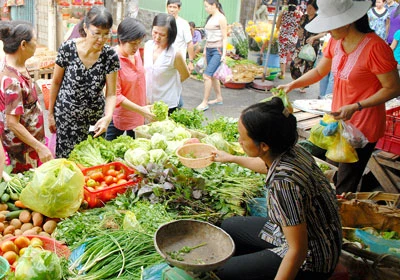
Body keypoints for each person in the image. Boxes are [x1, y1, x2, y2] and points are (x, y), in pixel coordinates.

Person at [212, 97, 342, 280]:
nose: (239, 140)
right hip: (318, 237)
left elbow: (298, 250)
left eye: (243, 137)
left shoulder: (284, 185)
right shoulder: (292, 150)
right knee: (229, 226)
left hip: (313, 260)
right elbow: (265, 165)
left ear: (264, 145)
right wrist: (231, 158)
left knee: (221, 272)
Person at [278, 0, 400, 194]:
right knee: (330, 173)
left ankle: (339, 218)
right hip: (337, 123)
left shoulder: (376, 48)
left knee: (344, 184)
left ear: (346, 22)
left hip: (362, 129)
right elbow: (319, 71)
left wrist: (357, 106)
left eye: (330, 24)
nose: (327, 30)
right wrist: (293, 84)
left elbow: (393, 88)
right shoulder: (336, 41)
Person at [48, 6, 120, 158]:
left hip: (95, 121)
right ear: (86, 28)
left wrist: (108, 117)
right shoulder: (68, 49)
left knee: (92, 162)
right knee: (66, 164)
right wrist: (50, 114)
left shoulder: (110, 56)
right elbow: (55, 82)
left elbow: (111, 93)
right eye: (96, 33)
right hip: (66, 117)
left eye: (106, 34)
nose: (101, 39)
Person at [0, 21, 53, 173]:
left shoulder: (20, 66)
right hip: (22, 152)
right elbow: (12, 123)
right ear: (23, 45)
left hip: (31, 145)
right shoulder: (12, 81)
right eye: (35, 41)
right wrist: (39, 147)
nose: (36, 45)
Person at [105, 18, 155, 141]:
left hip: (138, 114)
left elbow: (140, 79)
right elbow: (116, 95)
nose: (136, 47)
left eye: (139, 43)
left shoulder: (136, 54)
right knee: (109, 148)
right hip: (119, 115)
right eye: (133, 43)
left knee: (136, 151)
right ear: (121, 40)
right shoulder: (113, 59)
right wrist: (142, 110)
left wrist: (145, 101)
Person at [143, 13, 190, 115]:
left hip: (167, 104)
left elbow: (185, 74)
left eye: (162, 35)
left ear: (170, 35)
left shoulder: (175, 54)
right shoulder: (147, 46)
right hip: (146, 101)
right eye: (155, 32)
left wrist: (170, 85)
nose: (157, 37)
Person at [196, 0, 227, 111]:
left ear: (214, 5)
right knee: (213, 75)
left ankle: (204, 102)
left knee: (206, 75)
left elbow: (224, 37)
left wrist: (224, 54)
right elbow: (208, 37)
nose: (206, 9)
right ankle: (219, 98)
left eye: (207, 6)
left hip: (217, 50)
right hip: (209, 49)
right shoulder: (210, 17)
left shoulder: (221, 18)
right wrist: (205, 50)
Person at [166, 0, 195, 108]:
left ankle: (177, 106)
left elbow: (189, 43)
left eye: (174, 7)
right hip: (165, 60)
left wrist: (190, 61)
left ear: (179, 9)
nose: (172, 9)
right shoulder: (164, 21)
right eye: (170, 7)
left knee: (175, 85)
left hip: (178, 61)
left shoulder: (183, 24)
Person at [290, 0, 323, 93]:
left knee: (308, 67)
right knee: (294, 63)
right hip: (301, 44)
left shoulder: (319, 19)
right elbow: (299, 28)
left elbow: (324, 32)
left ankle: (303, 85)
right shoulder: (303, 17)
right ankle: (300, 81)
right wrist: (298, 33)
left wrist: (314, 38)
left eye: (311, 8)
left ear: (315, 9)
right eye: (307, 8)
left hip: (313, 46)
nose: (308, 10)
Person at [274, 0, 302, 79]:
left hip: (283, 38)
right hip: (294, 38)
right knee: (294, 57)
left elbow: (277, 26)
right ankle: (295, 77)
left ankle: (282, 74)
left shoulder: (282, 13)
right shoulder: (299, 14)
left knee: (282, 56)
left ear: (287, 4)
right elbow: (301, 27)